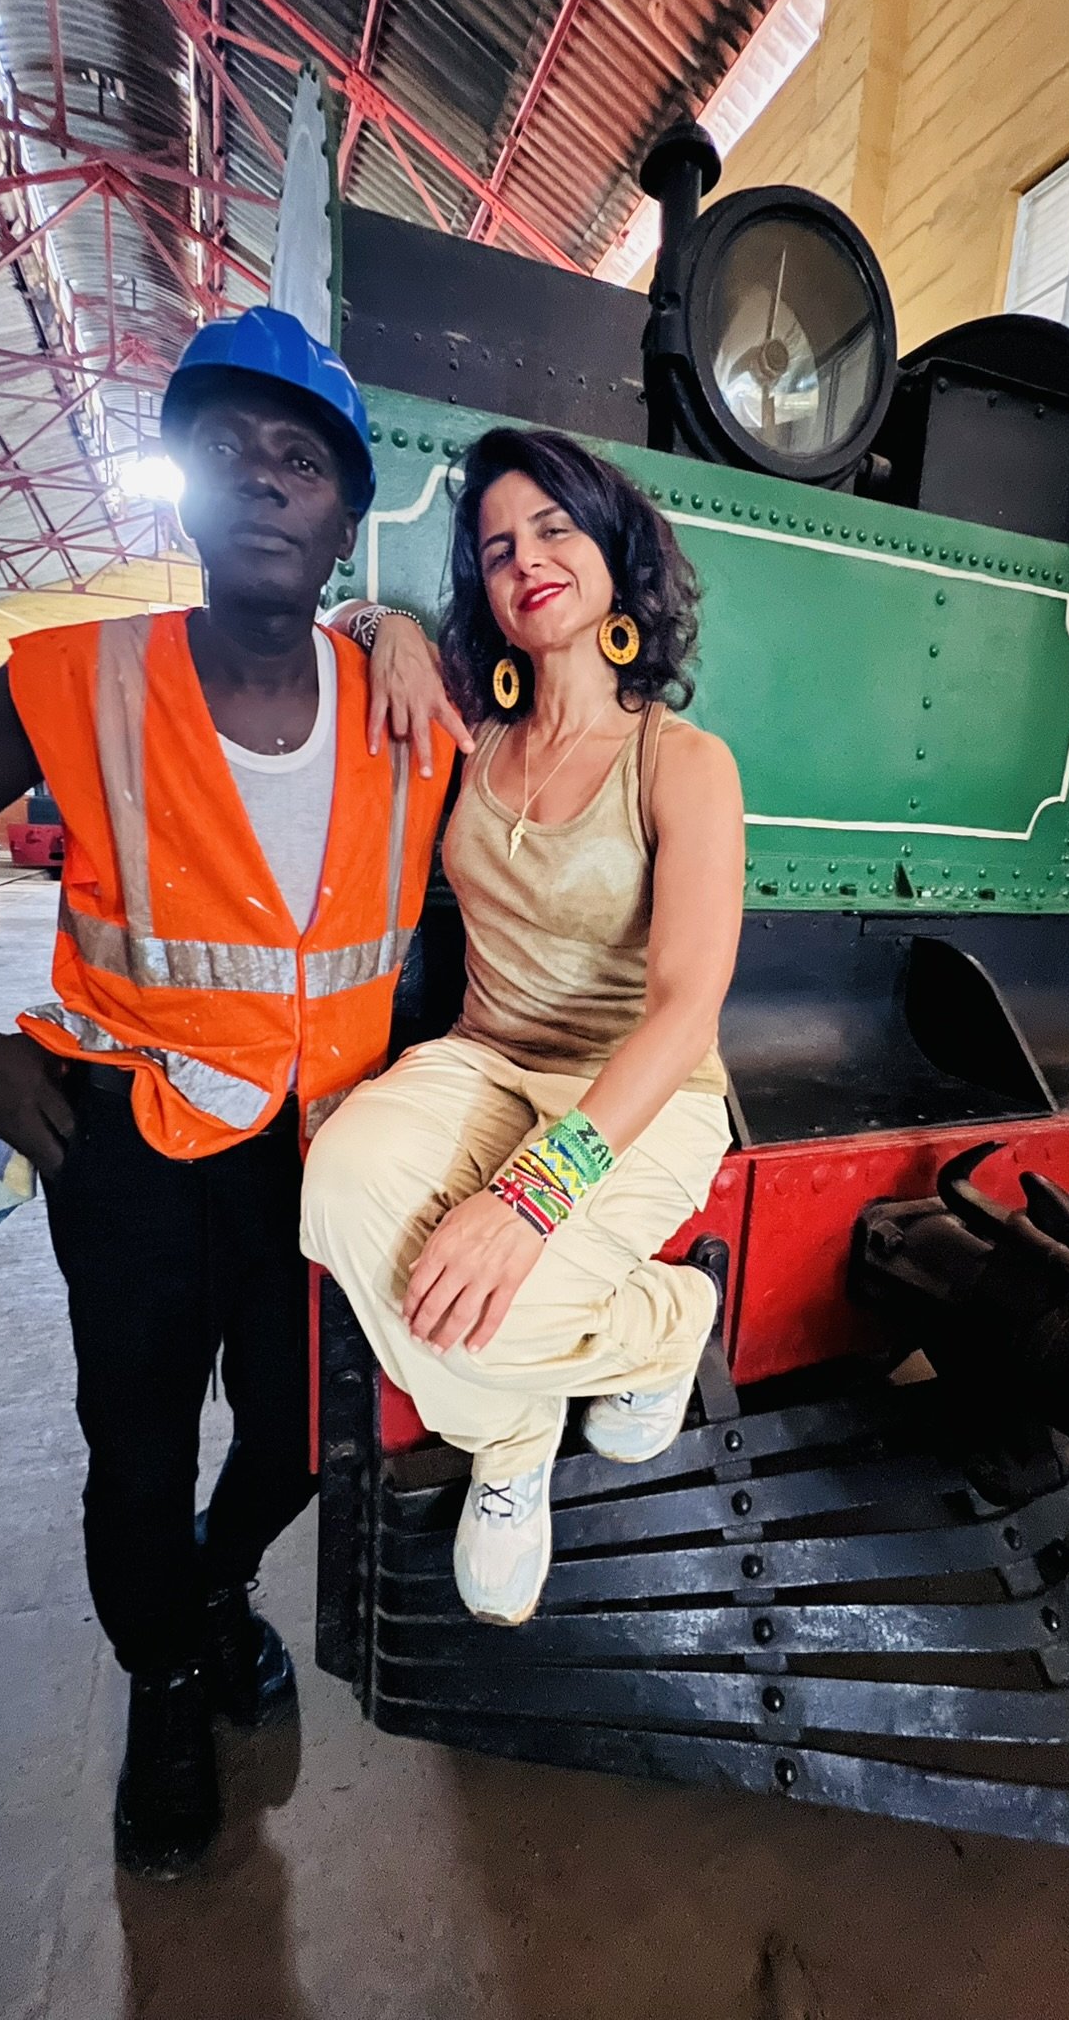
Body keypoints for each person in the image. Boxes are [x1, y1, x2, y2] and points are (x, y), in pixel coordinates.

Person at [0, 305, 470, 1879]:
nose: (264, 482)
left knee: (288, 1440)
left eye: (302, 460)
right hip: (123, 1141)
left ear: (345, 515)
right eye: (226, 453)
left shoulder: (413, 708)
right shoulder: (81, 677)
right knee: (132, 1446)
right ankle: (167, 1685)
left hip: (318, 1154)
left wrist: (409, 624)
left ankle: (209, 1583)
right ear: (184, 494)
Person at [301, 426, 747, 1627]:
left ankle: (662, 1328)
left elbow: (686, 1006)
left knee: (502, 1304)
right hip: (485, 1059)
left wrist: (532, 1193)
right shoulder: (472, 728)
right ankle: (516, 1428)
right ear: (486, 595)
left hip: (637, 1090)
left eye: (555, 528)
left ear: (613, 556)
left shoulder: (682, 760)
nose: (528, 560)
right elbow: (338, 617)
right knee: (335, 1189)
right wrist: (387, 627)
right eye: (498, 547)